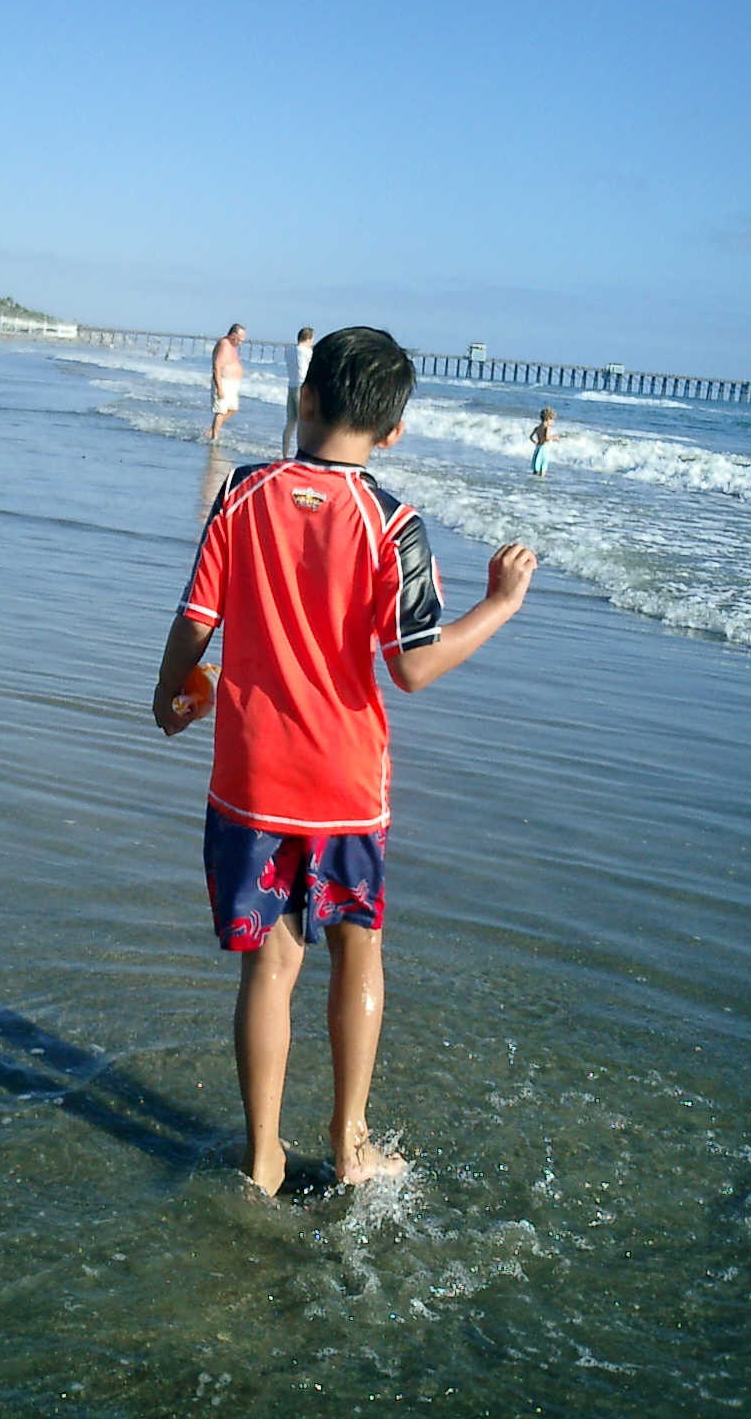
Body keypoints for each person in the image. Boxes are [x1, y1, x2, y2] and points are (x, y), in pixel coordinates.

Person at [153, 326, 537, 1197]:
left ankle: (262, 1155)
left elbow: (197, 617)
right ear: (394, 431)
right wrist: (501, 604)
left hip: (251, 777)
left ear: (306, 399)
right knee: (357, 952)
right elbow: (413, 666)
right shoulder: (393, 522)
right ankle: (350, 1142)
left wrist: (170, 693)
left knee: (269, 964)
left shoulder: (243, 492)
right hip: (345, 786)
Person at [206, 323, 246, 442]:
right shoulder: (224, 344)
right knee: (220, 411)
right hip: (223, 382)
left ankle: (212, 430)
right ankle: (214, 438)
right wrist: (219, 388)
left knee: (233, 408)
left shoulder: (232, 346)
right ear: (233, 335)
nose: (241, 343)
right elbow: (217, 367)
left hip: (232, 384)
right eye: (240, 339)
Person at [282, 325, 314, 457]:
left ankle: (285, 453)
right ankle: (301, 453)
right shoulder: (307, 352)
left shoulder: (289, 351)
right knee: (303, 423)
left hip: (291, 386)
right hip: (302, 387)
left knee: (290, 422)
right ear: (309, 339)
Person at [529, 408, 560, 476]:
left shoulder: (537, 427)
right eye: (551, 419)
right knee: (543, 466)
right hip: (544, 448)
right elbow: (547, 438)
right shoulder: (547, 427)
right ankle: (541, 479)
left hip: (538, 448)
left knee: (536, 466)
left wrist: (535, 442)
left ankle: (534, 479)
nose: (552, 421)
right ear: (548, 418)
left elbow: (530, 437)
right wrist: (555, 437)